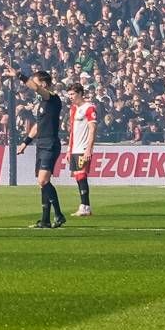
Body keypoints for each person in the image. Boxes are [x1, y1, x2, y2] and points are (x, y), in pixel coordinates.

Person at [27, 68, 69, 229]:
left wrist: (19, 75)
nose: (34, 86)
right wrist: (26, 142)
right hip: (41, 144)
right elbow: (38, 125)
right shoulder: (42, 103)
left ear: (43, 84)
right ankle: (45, 219)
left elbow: (36, 88)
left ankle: (58, 214)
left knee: (43, 180)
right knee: (43, 183)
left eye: (36, 82)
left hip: (51, 143)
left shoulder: (52, 98)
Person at [69, 80, 99, 218]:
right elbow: (72, 132)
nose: (71, 97)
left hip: (83, 147)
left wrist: (89, 149)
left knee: (82, 176)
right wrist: (69, 150)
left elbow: (92, 129)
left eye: (73, 94)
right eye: (69, 94)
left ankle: (85, 206)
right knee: (78, 177)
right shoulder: (73, 109)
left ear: (80, 94)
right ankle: (85, 206)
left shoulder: (89, 108)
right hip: (75, 148)